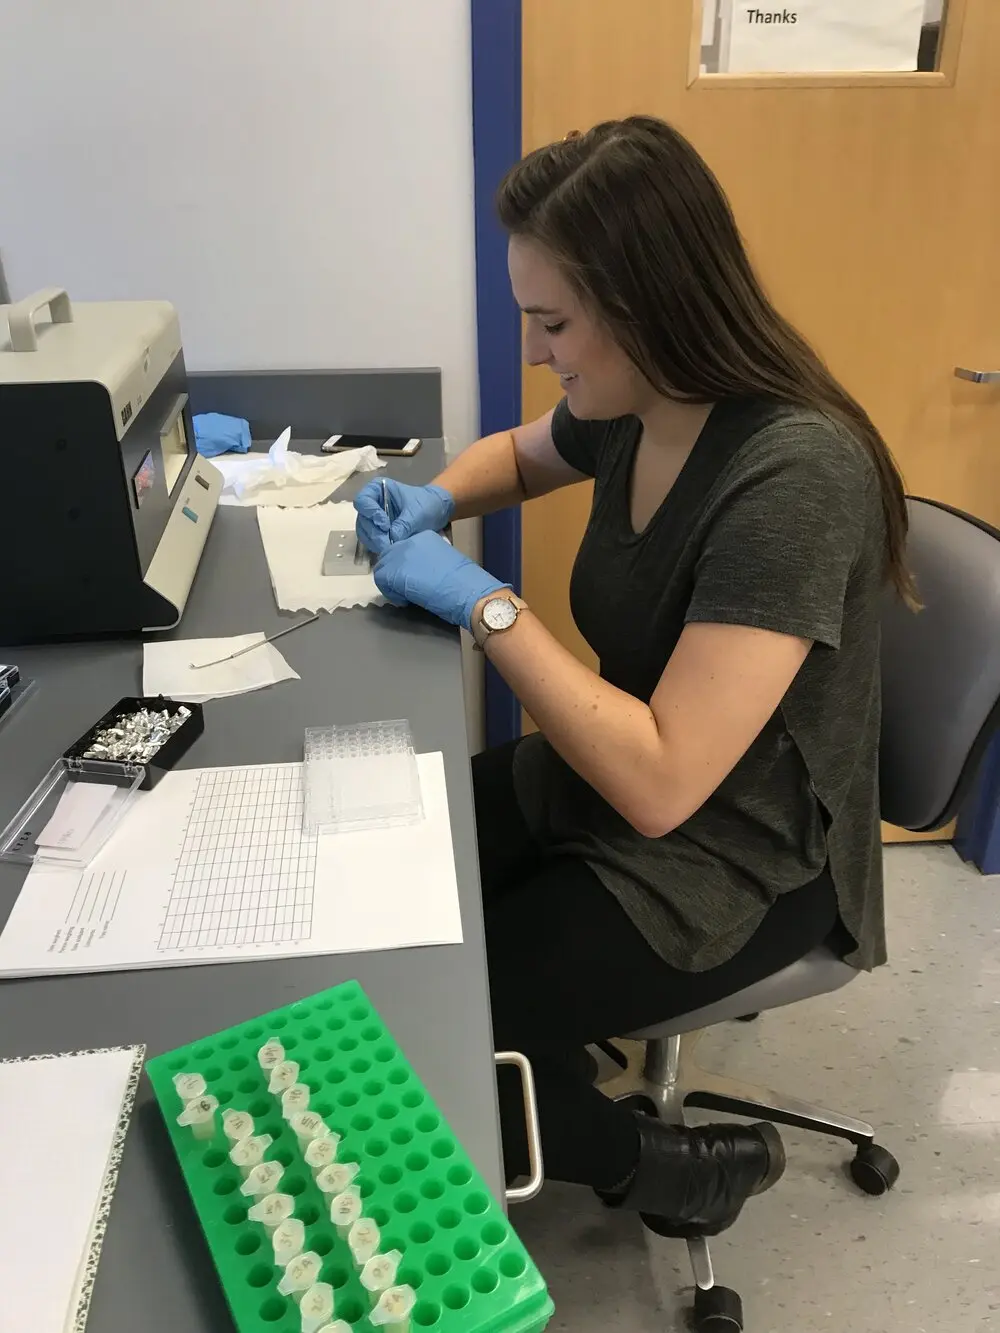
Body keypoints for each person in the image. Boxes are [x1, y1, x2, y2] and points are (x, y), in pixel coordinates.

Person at [354, 116, 912, 1238]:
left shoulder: (789, 474)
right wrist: (436, 501)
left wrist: (483, 603)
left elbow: (664, 784)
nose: (535, 349)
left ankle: (655, 1164)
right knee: (393, 875)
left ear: (649, 304)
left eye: (552, 322)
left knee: (424, 1020)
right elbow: (518, 453)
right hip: (604, 774)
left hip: (735, 852)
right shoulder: (637, 402)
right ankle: (546, 1047)